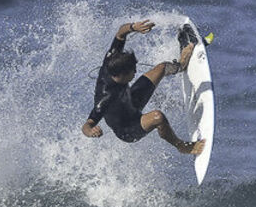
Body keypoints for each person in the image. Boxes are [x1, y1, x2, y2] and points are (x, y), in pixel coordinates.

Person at [81, 20, 204, 155]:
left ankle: (181, 65)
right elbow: (87, 125)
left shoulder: (112, 58)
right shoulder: (106, 97)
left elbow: (120, 33)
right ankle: (182, 146)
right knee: (158, 117)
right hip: (128, 128)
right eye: (132, 71)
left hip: (131, 100)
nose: (135, 72)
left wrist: (133, 27)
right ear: (121, 75)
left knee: (162, 67)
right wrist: (91, 131)